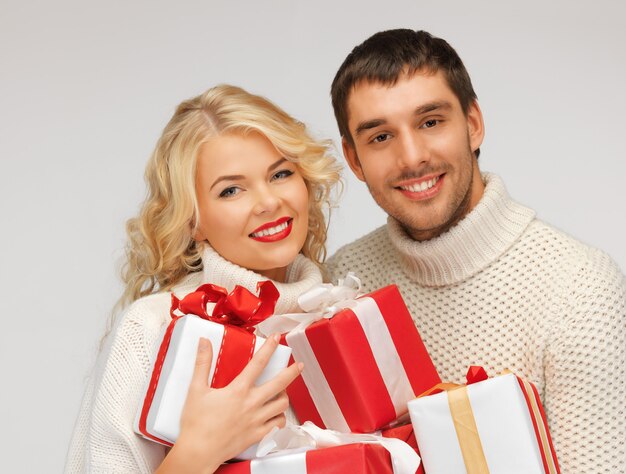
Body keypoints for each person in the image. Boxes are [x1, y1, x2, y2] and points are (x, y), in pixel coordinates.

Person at [326, 29, 625, 472]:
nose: (412, 158)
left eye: (430, 122)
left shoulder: (580, 288)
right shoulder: (342, 280)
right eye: (381, 137)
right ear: (354, 160)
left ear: (473, 123)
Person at [65, 84, 342, 473]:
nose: (267, 202)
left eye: (280, 173)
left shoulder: (339, 316)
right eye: (231, 190)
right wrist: (198, 452)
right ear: (193, 221)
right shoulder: (153, 326)